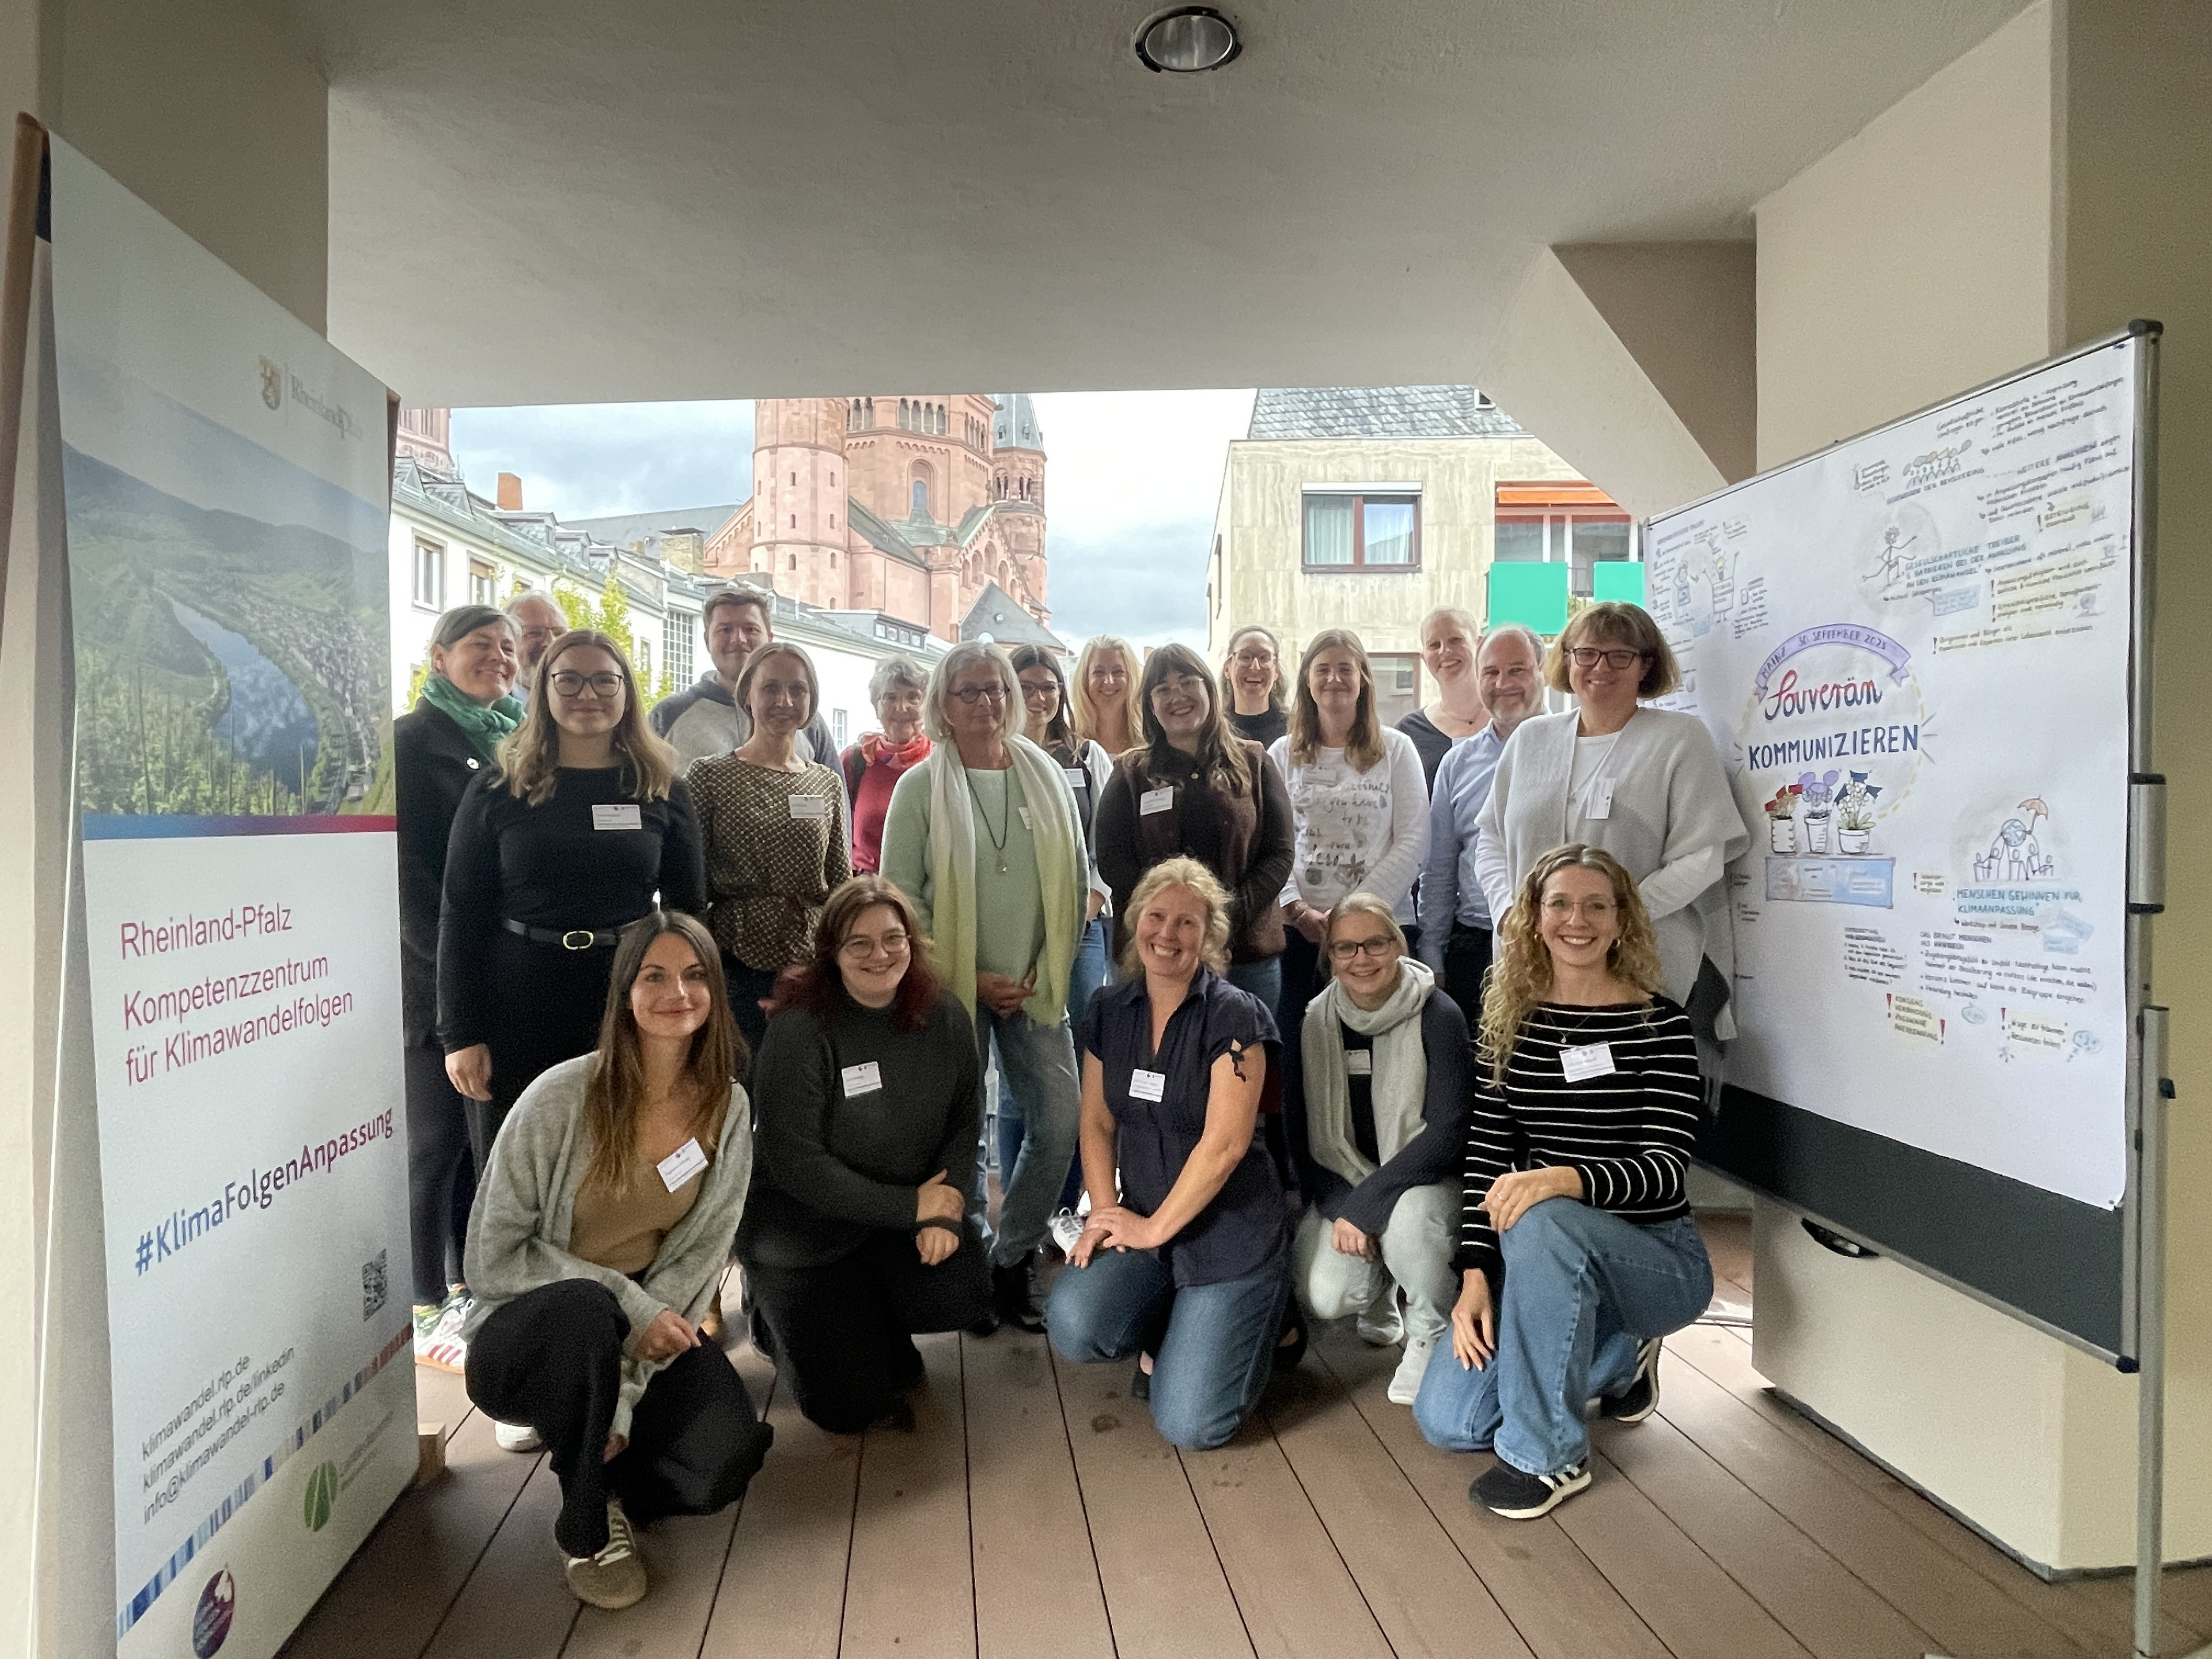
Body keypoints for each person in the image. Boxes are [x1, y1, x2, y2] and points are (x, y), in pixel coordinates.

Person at [461, 910, 771, 1609]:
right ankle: (588, 1519)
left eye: (695, 977)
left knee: (723, 1461)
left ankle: (592, 1434)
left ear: (717, 994)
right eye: (654, 976)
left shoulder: (727, 1109)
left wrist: (625, 1402)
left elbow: (696, 1262)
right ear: (624, 993)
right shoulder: (557, 1100)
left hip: (645, 1324)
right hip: (530, 1325)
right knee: (584, 1313)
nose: (677, 993)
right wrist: (628, 1307)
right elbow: (492, 1256)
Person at [1413, 844, 1712, 1521]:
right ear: (1534, 917)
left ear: (1621, 919)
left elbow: (1665, 1172)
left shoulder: (1659, 1025)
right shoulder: (1510, 1023)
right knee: (1448, 1421)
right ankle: (1615, 1358)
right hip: (1544, 1262)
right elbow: (1487, 1158)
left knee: (1541, 1216)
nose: (1577, 920)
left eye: (1595, 905)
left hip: (1655, 1260)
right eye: (1560, 904)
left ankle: (1550, 1456)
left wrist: (1565, 1180)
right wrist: (1476, 1277)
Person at [1044, 859, 1290, 1450]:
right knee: (1075, 1326)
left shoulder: (1235, 1015)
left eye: (1188, 923)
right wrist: (1106, 1214)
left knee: (1191, 1424)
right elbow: (1097, 1121)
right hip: (1148, 1220)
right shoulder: (1109, 1008)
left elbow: (1227, 1144)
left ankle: (1274, 1320)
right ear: (1134, 924)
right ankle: (1181, 1323)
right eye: (1157, 916)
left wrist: (1153, 1229)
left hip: (1231, 1232)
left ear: (1210, 939)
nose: (1168, 933)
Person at [879, 642, 1089, 1331]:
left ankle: (1012, 1256)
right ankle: (966, 1262)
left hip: (1037, 982)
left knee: (1060, 1123)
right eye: (968, 691)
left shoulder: (1046, 775)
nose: (987, 703)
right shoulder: (919, 788)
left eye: (997, 688)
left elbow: (1075, 877)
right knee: (959, 1133)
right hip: (948, 989)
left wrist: (1033, 967)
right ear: (942, 703)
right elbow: (899, 906)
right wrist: (965, 975)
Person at [439, 628, 707, 1168]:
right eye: (570, 680)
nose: (588, 694)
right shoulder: (498, 787)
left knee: (621, 1161)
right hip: (519, 1000)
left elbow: (689, 916)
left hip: (629, 1001)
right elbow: (461, 914)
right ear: (543, 691)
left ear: (627, 692)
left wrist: (689, 1018)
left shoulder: (660, 786)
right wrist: (460, 1033)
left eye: (605, 680)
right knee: (520, 1168)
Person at [738, 877, 994, 1431]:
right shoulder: (800, 1029)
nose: (880, 955)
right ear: (831, 951)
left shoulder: (944, 1015)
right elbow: (794, 1162)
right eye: (860, 943)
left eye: (893, 939)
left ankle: (868, 1331)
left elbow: (963, 1118)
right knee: (847, 1409)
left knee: (967, 1287)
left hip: (889, 1216)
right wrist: (914, 1208)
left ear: (912, 942)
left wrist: (945, 1211)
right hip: (803, 1228)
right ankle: (767, 1316)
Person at [1474, 602, 1749, 1041]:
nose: (1601, 667)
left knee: (1622, 1090)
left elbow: (1702, 857)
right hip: (1532, 957)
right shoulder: (1531, 740)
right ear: (1567, 660)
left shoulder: (1679, 740)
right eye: (1587, 653)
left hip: (1640, 962)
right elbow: (1489, 836)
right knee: (1536, 1083)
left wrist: (1613, 918)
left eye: (1620, 655)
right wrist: (1508, 907)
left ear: (1646, 666)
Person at [395, 604, 522, 1370]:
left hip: (498, 974)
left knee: (480, 1147)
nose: (500, 658)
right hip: (432, 981)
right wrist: (455, 980)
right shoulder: (411, 743)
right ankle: (421, 1300)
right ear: (440, 657)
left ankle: (465, 1283)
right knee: (435, 1143)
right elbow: (407, 879)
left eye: (508, 649)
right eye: (482, 645)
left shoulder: (511, 744)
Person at [1293, 894, 1469, 1407]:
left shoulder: (1438, 1012)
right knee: (1326, 1295)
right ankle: (1380, 1290)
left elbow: (1449, 1131)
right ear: (1330, 957)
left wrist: (1367, 1207)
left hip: (1426, 1179)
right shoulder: (1316, 1021)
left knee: (1411, 1225)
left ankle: (1427, 1330)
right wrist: (1347, 1207)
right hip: (1348, 1178)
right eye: (1346, 947)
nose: (1361, 959)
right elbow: (1303, 1140)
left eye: (1375, 943)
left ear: (1398, 943)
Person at [1268, 628, 1429, 1176]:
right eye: (1323, 669)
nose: (1335, 679)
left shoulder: (1396, 748)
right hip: (1298, 934)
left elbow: (1414, 840)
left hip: (1377, 936)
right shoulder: (1280, 754)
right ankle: (1311, 1183)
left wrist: (1351, 918)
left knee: (1382, 1061)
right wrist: (1297, 908)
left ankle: (1386, 1175)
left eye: (1346, 668)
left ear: (1363, 679)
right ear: (1307, 682)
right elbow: (1270, 844)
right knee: (1300, 1059)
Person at [1095, 642, 1293, 1010]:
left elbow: (1279, 853)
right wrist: (1174, 920)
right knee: (1158, 1061)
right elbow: (1113, 860)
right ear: (1151, 705)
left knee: (1244, 1063)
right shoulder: (1130, 772)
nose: (1178, 696)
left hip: (1247, 955)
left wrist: (1224, 918)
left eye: (1187, 682)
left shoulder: (1254, 762)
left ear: (1208, 688)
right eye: (1163, 689)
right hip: (1156, 952)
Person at [689, 642, 851, 1058]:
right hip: (734, 963)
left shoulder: (827, 784)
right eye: (771, 688)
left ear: (812, 701)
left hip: (812, 964)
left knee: (806, 1089)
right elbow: (691, 885)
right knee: (738, 1086)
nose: (785, 700)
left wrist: (834, 963)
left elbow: (839, 885)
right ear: (748, 695)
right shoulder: (709, 776)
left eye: (798, 690)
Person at [1000, 642, 1114, 1213]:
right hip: (1013, 937)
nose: (1039, 697)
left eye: (1048, 687)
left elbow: (1105, 852)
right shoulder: (995, 759)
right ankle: (1024, 1212)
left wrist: (1084, 910)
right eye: (1027, 687)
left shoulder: (1088, 757)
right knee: (1021, 1086)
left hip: (1082, 931)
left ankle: (1065, 1206)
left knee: (1077, 1072)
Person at [1417, 624, 1545, 1019]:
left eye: (1517, 670)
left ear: (1542, 670)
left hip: (1557, 943)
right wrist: (1433, 957)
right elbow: (1438, 869)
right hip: (1474, 948)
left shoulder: (1574, 748)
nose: (1503, 683)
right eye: (1491, 672)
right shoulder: (1458, 764)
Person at [652, 583, 835, 768]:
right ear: (707, 640)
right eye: (725, 629)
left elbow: (834, 794)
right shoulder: (668, 716)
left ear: (769, 639)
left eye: (750, 629)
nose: (738, 639)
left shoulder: (805, 721)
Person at [840, 654, 932, 874]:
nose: (901, 708)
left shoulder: (940, 761)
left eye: (913, 697)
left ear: (927, 705)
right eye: (890, 698)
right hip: (866, 889)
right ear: (876, 706)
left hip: (922, 889)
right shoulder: (856, 761)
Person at [1397, 607, 1488, 788]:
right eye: (1434, 645)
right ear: (1424, 657)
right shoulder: (1410, 734)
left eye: (1456, 640)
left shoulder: (1509, 721)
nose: (1445, 651)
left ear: (1479, 644)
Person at [1069, 634, 1145, 759]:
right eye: (1099, 672)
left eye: (1117, 672)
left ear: (1132, 678)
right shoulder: (1069, 740)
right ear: (1084, 679)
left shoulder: (1150, 738)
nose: (1108, 681)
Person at [1219, 623, 1288, 748]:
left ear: (1277, 670)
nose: (1255, 667)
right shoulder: (1214, 731)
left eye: (1264, 658)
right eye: (1245, 657)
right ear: (1227, 669)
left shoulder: (1296, 730)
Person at [505, 589, 568, 697]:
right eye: (535, 633)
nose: (551, 642)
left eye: (559, 634)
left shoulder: (578, 701)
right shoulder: (489, 702)